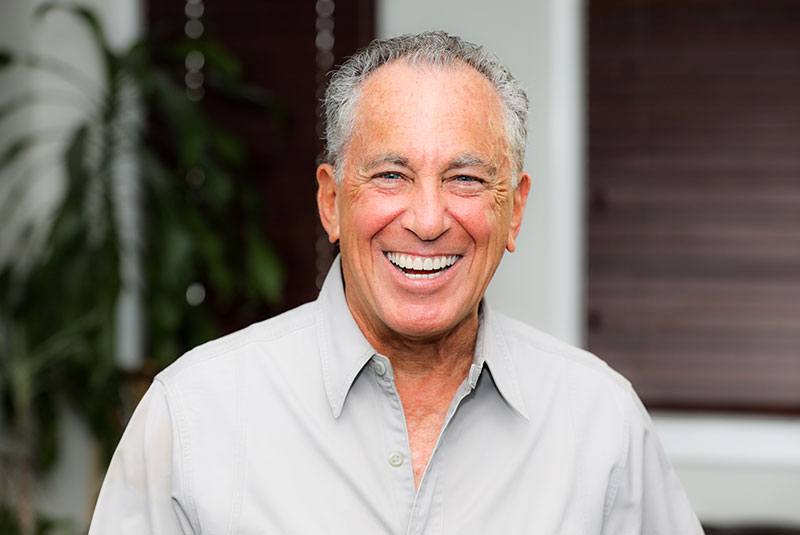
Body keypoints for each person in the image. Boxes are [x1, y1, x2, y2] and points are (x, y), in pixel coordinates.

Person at [89, 31, 704, 535]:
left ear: (513, 211)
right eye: (390, 175)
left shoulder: (603, 423)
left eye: (465, 179)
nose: (429, 220)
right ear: (331, 202)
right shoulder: (194, 414)